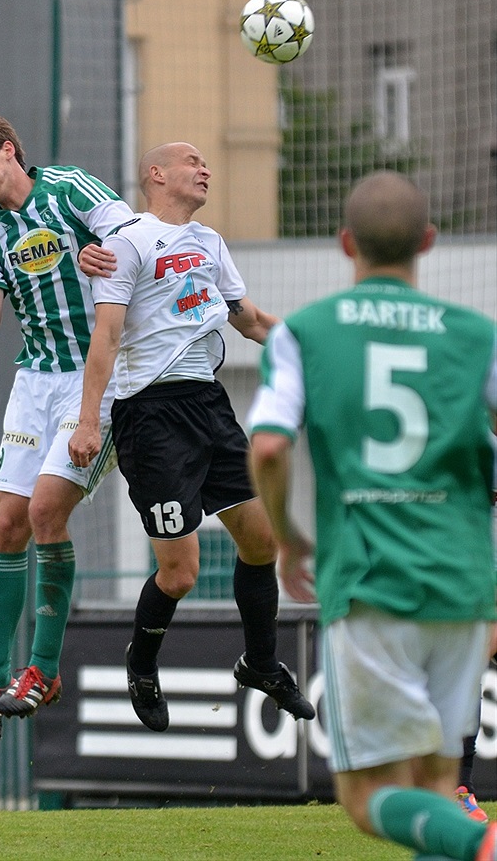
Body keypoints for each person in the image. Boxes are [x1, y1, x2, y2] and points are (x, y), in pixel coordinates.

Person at [247, 171, 496, 860]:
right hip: (463, 586)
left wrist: (292, 539)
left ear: (345, 243)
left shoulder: (305, 331)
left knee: (365, 799)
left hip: (371, 582)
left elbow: (268, 446)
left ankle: (486, 845)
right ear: (428, 242)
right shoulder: (479, 334)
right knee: (437, 786)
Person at [68, 141, 315, 732]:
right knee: (179, 572)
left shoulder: (211, 243)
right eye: (192, 161)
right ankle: (142, 662)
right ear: (156, 174)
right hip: (150, 416)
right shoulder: (127, 243)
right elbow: (105, 337)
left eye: (207, 163)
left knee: (261, 544)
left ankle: (259, 663)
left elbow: (249, 320)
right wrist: (87, 418)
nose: (205, 169)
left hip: (208, 403)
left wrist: (315, 343)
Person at [0, 114, 133, 750]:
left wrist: (106, 254)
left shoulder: (71, 188)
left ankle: (43, 669)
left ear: (7, 150)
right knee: (6, 525)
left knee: (46, 512)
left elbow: (135, 244)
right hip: (34, 382)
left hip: (93, 376)